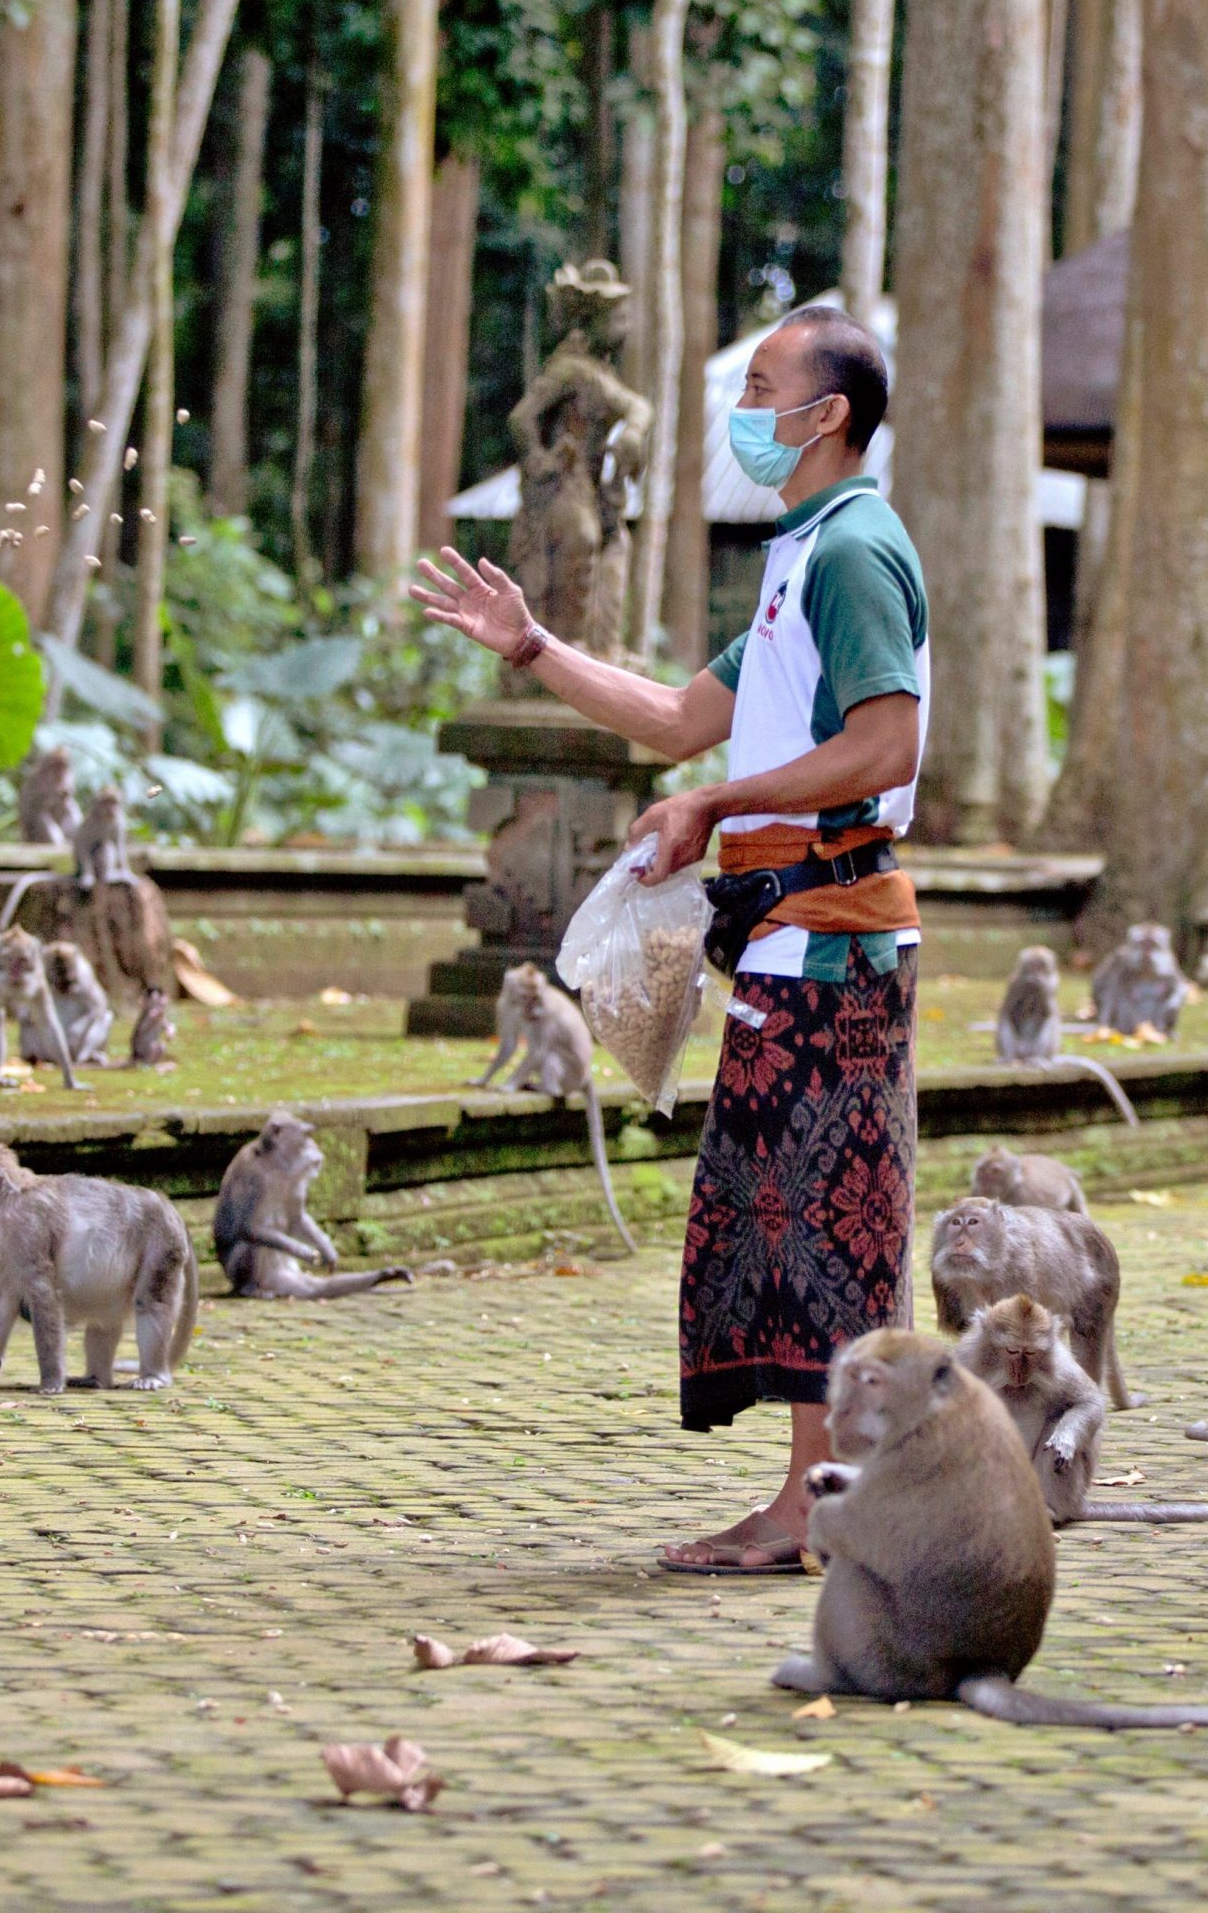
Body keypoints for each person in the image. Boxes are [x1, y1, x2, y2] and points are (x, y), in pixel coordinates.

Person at [411, 304, 929, 1574]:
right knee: (777, 1215)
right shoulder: (798, 555)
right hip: (778, 934)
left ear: (829, 418)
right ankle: (824, 1493)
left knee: (822, 1224)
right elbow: (673, 721)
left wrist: (715, 805)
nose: (742, 412)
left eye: (762, 388)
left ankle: (824, 1507)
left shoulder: (856, 549)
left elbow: (887, 745)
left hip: (831, 937)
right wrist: (529, 647)